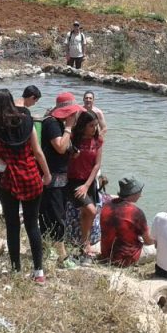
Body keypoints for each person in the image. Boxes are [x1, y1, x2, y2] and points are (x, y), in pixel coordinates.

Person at [0, 89, 52, 283]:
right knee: (33, 224)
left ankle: (16, 268)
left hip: (8, 178)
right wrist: (47, 174)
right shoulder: (27, 120)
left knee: (12, 225)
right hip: (31, 175)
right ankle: (39, 272)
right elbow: (38, 151)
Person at [39, 92, 85, 268]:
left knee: (52, 215)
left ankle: (48, 250)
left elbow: (64, 148)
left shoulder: (56, 123)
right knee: (56, 217)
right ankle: (62, 256)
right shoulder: (52, 123)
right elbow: (59, 146)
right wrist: (69, 127)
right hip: (52, 178)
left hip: (58, 178)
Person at [67, 111, 104, 259]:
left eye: (95, 125)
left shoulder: (98, 140)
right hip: (73, 181)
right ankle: (85, 243)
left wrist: (87, 185)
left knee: (86, 213)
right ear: (83, 126)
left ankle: (85, 243)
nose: (94, 128)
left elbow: (97, 165)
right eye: (91, 126)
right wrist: (71, 155)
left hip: (89, 182)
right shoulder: (72, 138)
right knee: (91, 211)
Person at [100, 175, 155, 267]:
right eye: (139, 192)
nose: (141, 195)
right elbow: (149, 241)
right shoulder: (136, 212)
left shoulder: (106, 205)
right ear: (133, 193)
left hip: (106, 254)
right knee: (160, 247)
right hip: (125, 259)